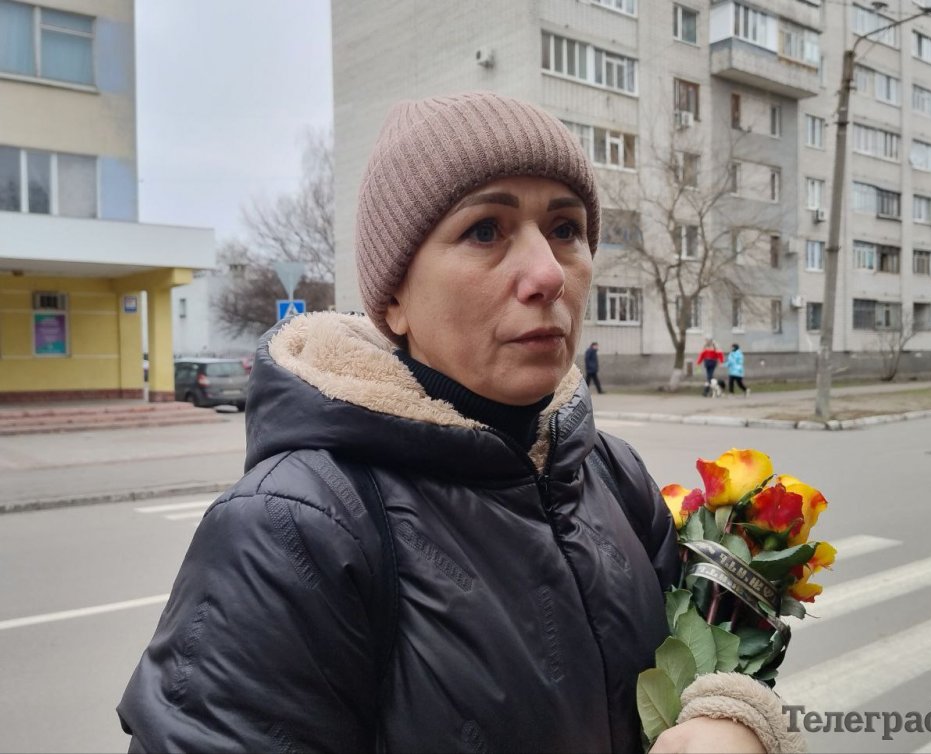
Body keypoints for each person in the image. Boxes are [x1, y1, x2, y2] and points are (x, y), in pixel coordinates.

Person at [117, 92, 802, 754]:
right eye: (485, 231)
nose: (547, 274)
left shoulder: (611, 472)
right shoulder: (292, 527)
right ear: (393, 299)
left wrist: (732, 716)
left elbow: (687, 681)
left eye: (565, 230)